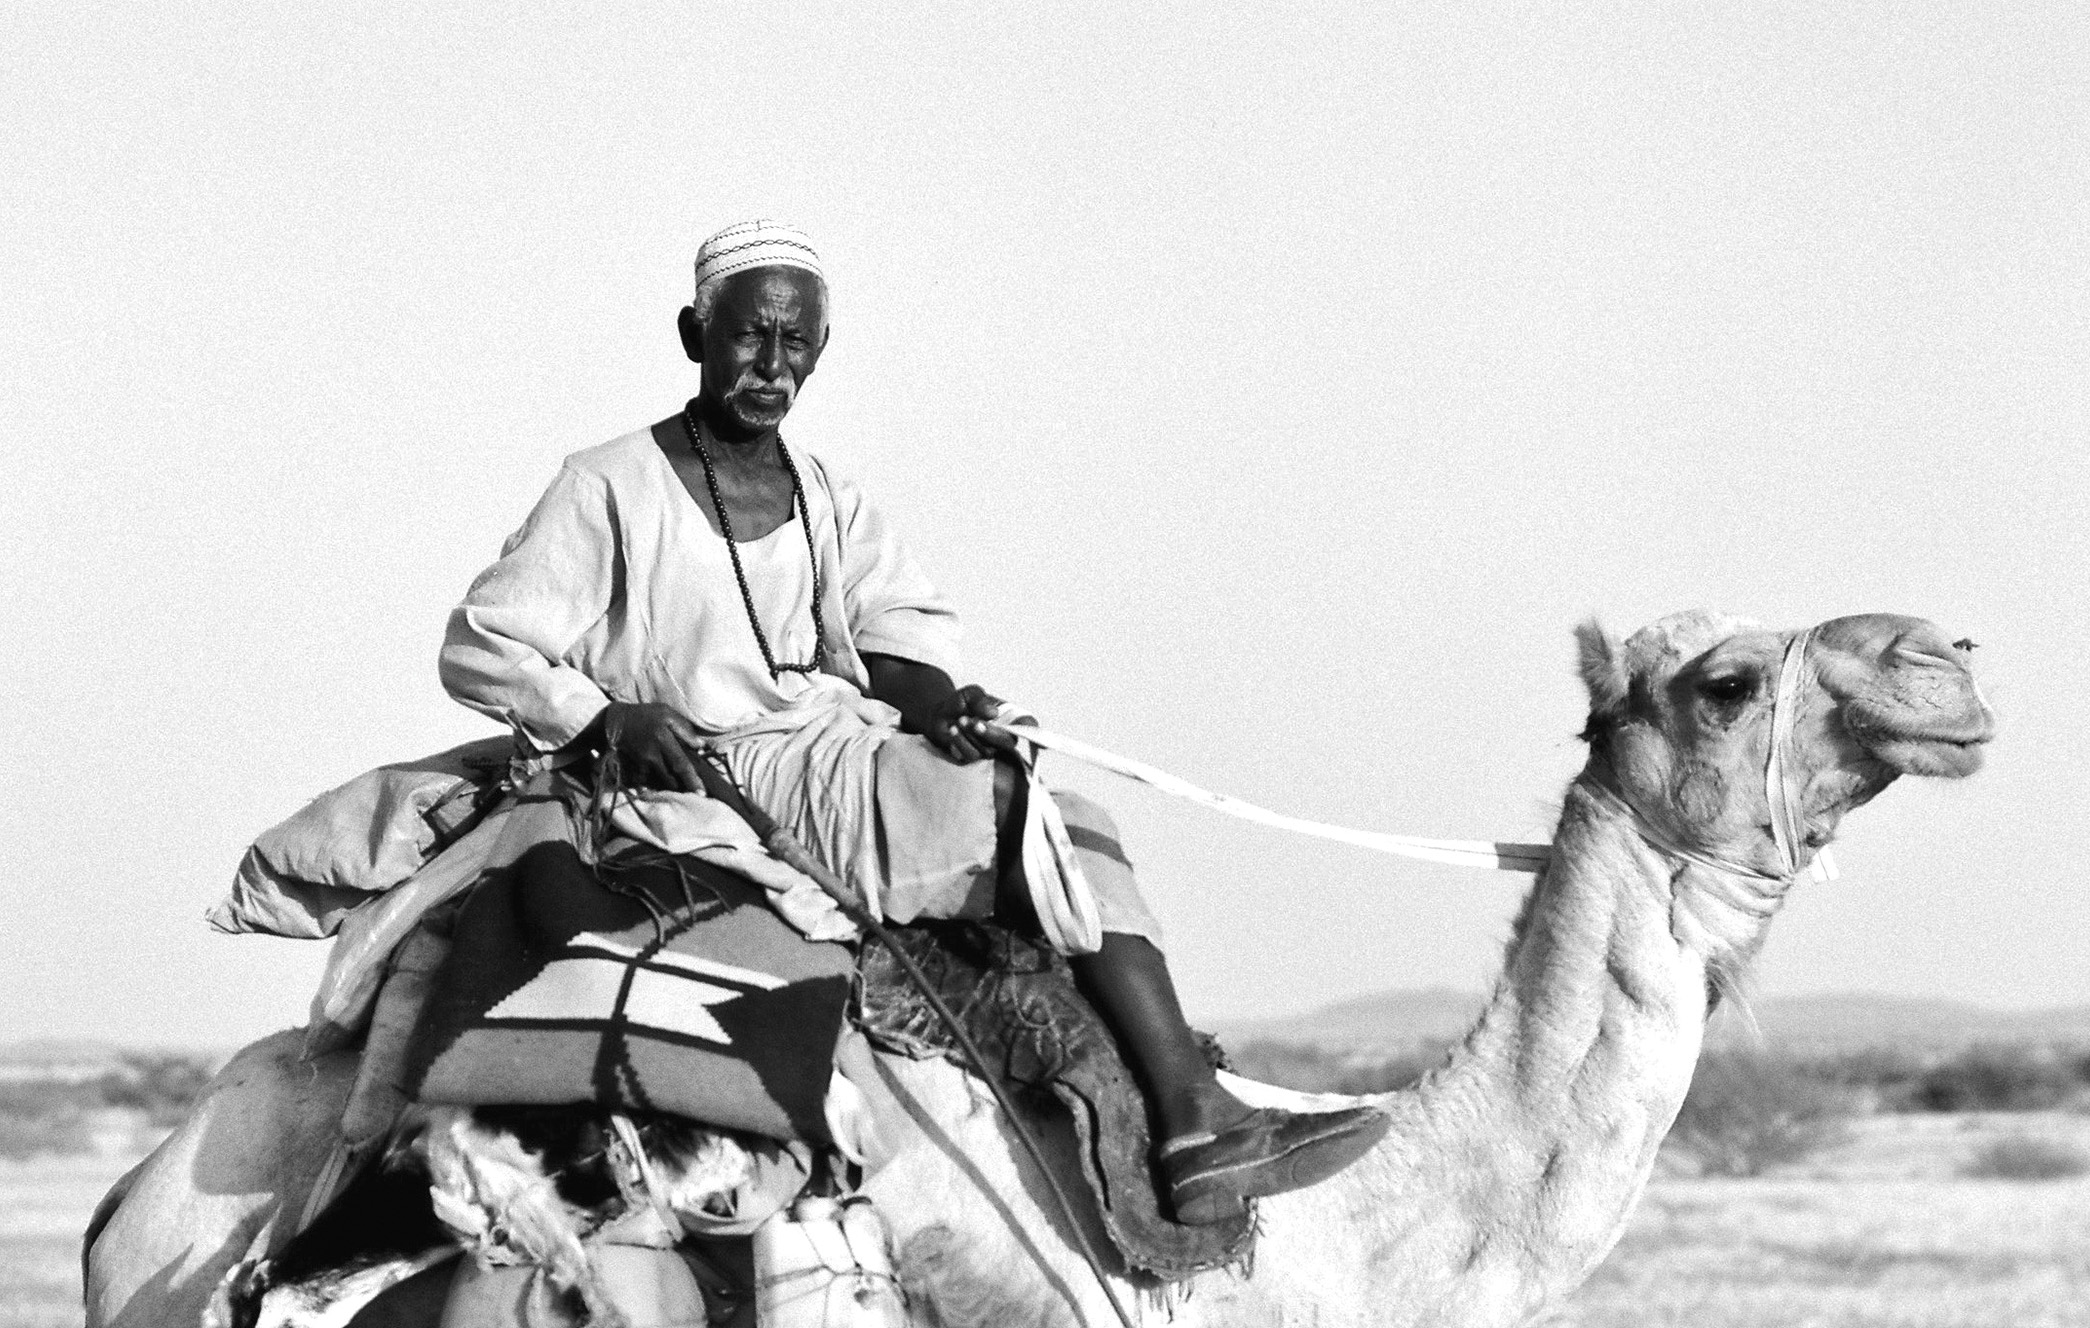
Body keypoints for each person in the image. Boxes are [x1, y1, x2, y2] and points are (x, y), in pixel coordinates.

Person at [440, 219, 1383, 1222]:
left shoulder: (827, 495)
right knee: (1011, 809)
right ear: (692, 333)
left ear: (820, 351)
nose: (771, 364)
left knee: (1075, 816)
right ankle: (1192, 1113)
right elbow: (481, 642)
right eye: (747, 336)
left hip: (836, 744)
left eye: (794, 342)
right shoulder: (606, 486)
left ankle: (1189, 1119)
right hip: (713, 773)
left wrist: (943, 709)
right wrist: (603, 719)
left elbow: (894, 633)